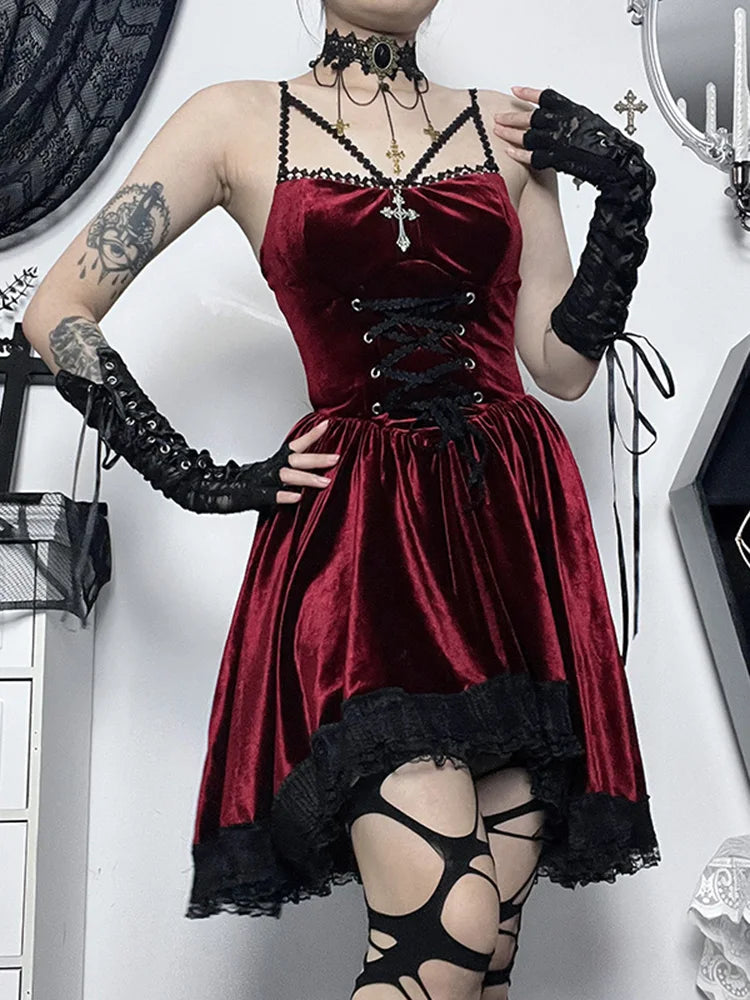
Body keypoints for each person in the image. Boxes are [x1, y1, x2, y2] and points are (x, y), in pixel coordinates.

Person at [22, 1, 675, 997]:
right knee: (449, 929)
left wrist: (623, 193)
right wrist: (203, 476)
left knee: (488, 958)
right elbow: (56, 311)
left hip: (510, 546)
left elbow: (560, 366)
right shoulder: (235, 118)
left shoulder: (506, 127)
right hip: (365, 560)